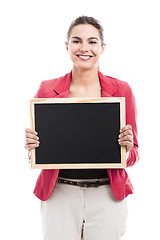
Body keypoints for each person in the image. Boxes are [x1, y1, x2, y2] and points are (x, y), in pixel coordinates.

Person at [25, 16, 139, 240]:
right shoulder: (47, 90)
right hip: (60, 193)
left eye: (92, 41)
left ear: (102, 47)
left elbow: (134, 154)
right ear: (67, 46)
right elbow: (39, 154)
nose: (84, 48)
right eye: (76, 41)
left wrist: (126, 147)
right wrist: (33, 148)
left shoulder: (121, 90)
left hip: (107, 195)